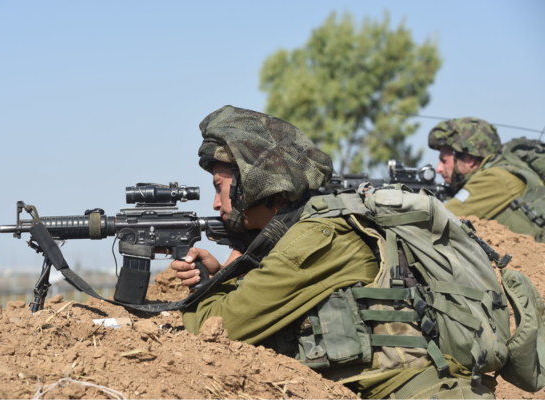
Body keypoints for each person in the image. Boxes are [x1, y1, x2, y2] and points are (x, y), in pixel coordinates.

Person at [172, 105, 495, 399]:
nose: (216, 203)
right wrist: (226, 272)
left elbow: (213, 327)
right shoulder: (315, 227)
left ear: (253, 185)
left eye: (220, 187)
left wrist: (226, 275)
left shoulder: (314, 239)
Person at [429, 117, 545, 241]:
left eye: (444, 160)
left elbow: (436, 221)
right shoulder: (501, 172)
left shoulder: (495, 178)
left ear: (470, 159)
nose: (439, 169)